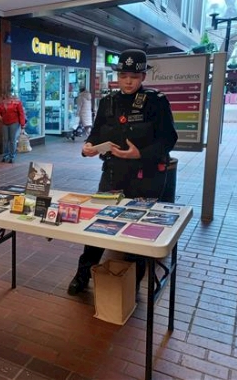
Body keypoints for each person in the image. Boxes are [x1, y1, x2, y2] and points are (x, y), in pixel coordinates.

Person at [67, 49, 178, 296]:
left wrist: (140, 154)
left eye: (134, 76)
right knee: (98, 225)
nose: (128, 81)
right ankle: (82, 274)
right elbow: (96, 133)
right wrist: (89, 146)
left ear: (143, 77)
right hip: (113, 174)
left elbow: (169, 139)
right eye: (124, 76)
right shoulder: (108, 102)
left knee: (137, 233)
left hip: (145, 178)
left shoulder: (156, 101)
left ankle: (131, 285)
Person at [0, 93, 26, 163]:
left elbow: (21, 113)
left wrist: (22, 124)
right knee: (5, 140)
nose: (9, 96)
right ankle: (5, 155)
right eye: (7, 95)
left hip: (14, 122)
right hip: (5, 123)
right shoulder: (3, 103)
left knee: (12, 140)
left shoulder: (17, 102)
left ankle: (12, 156)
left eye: (10, 95)